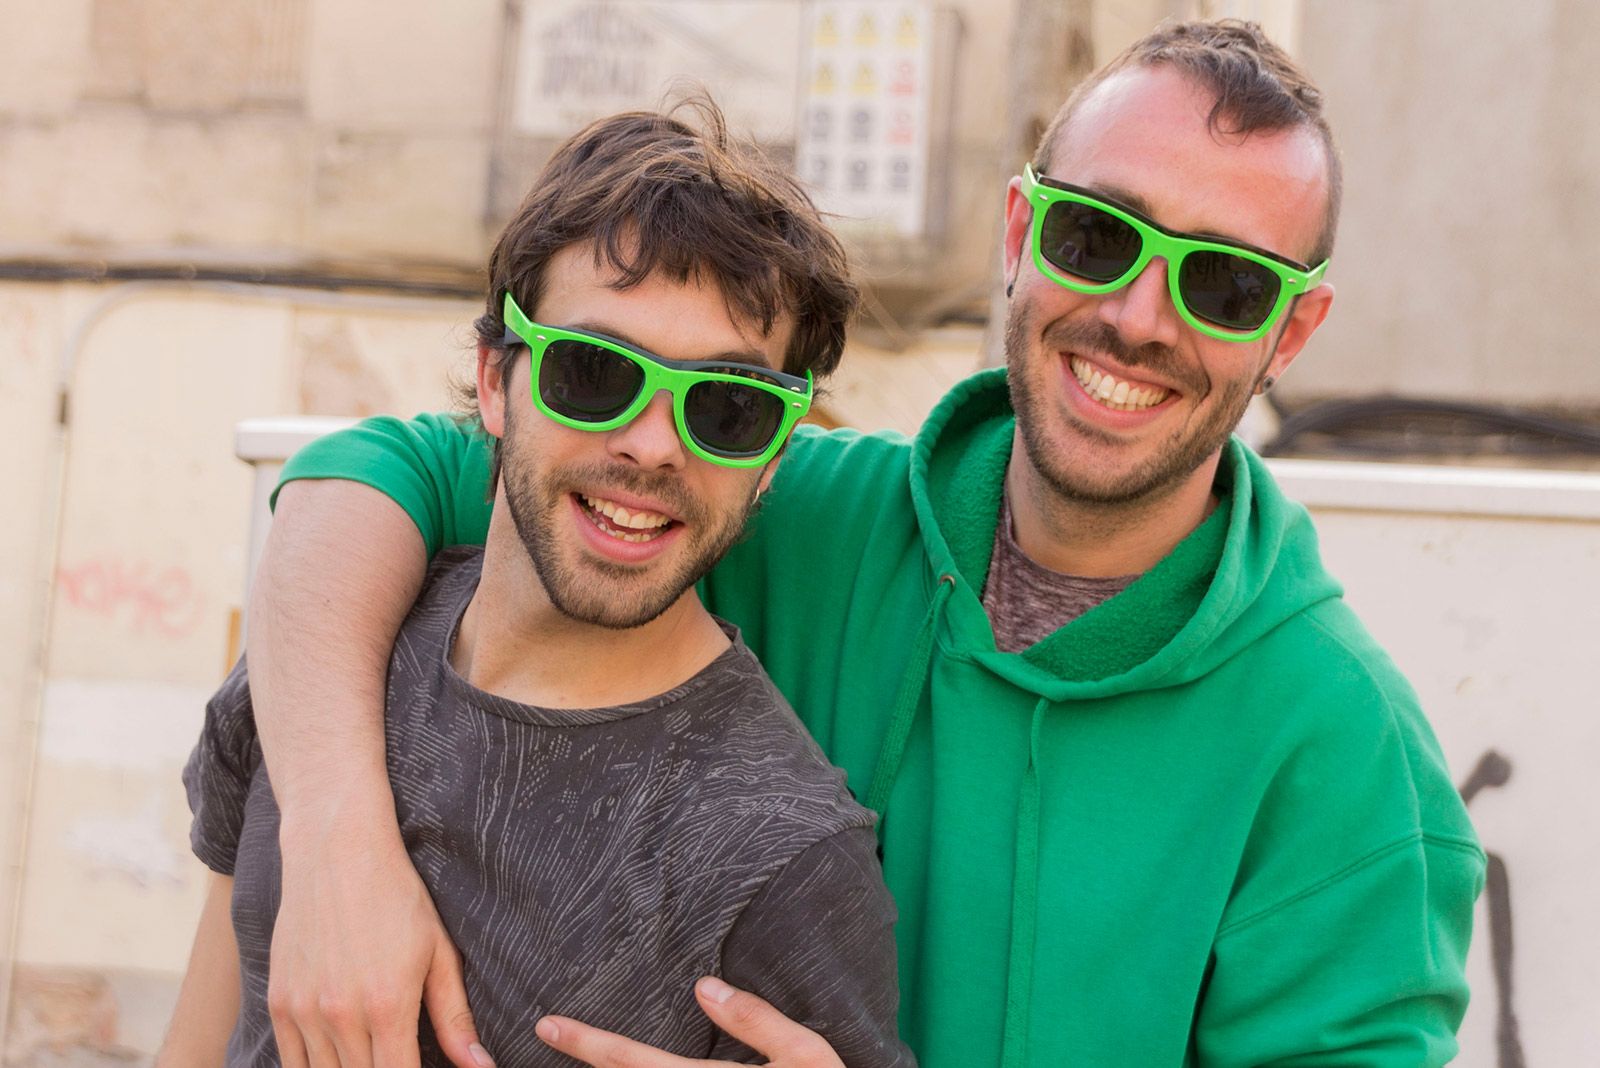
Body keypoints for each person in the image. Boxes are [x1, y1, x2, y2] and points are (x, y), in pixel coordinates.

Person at [244, 20, 1485, 1068]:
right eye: (1096, 238)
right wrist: (337, 840)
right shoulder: (768, 493)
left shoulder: (1350, 767)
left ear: (1295, 330)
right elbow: (371, 478)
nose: (1135, 316)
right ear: (1019, 234)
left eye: (1222, 285)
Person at [158, 103, 914, 1068]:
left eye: (728, 407)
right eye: (594, 374)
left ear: (773, 459)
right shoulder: (325, 675)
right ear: (493, 379)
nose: (651, 443)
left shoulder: (788, 859)